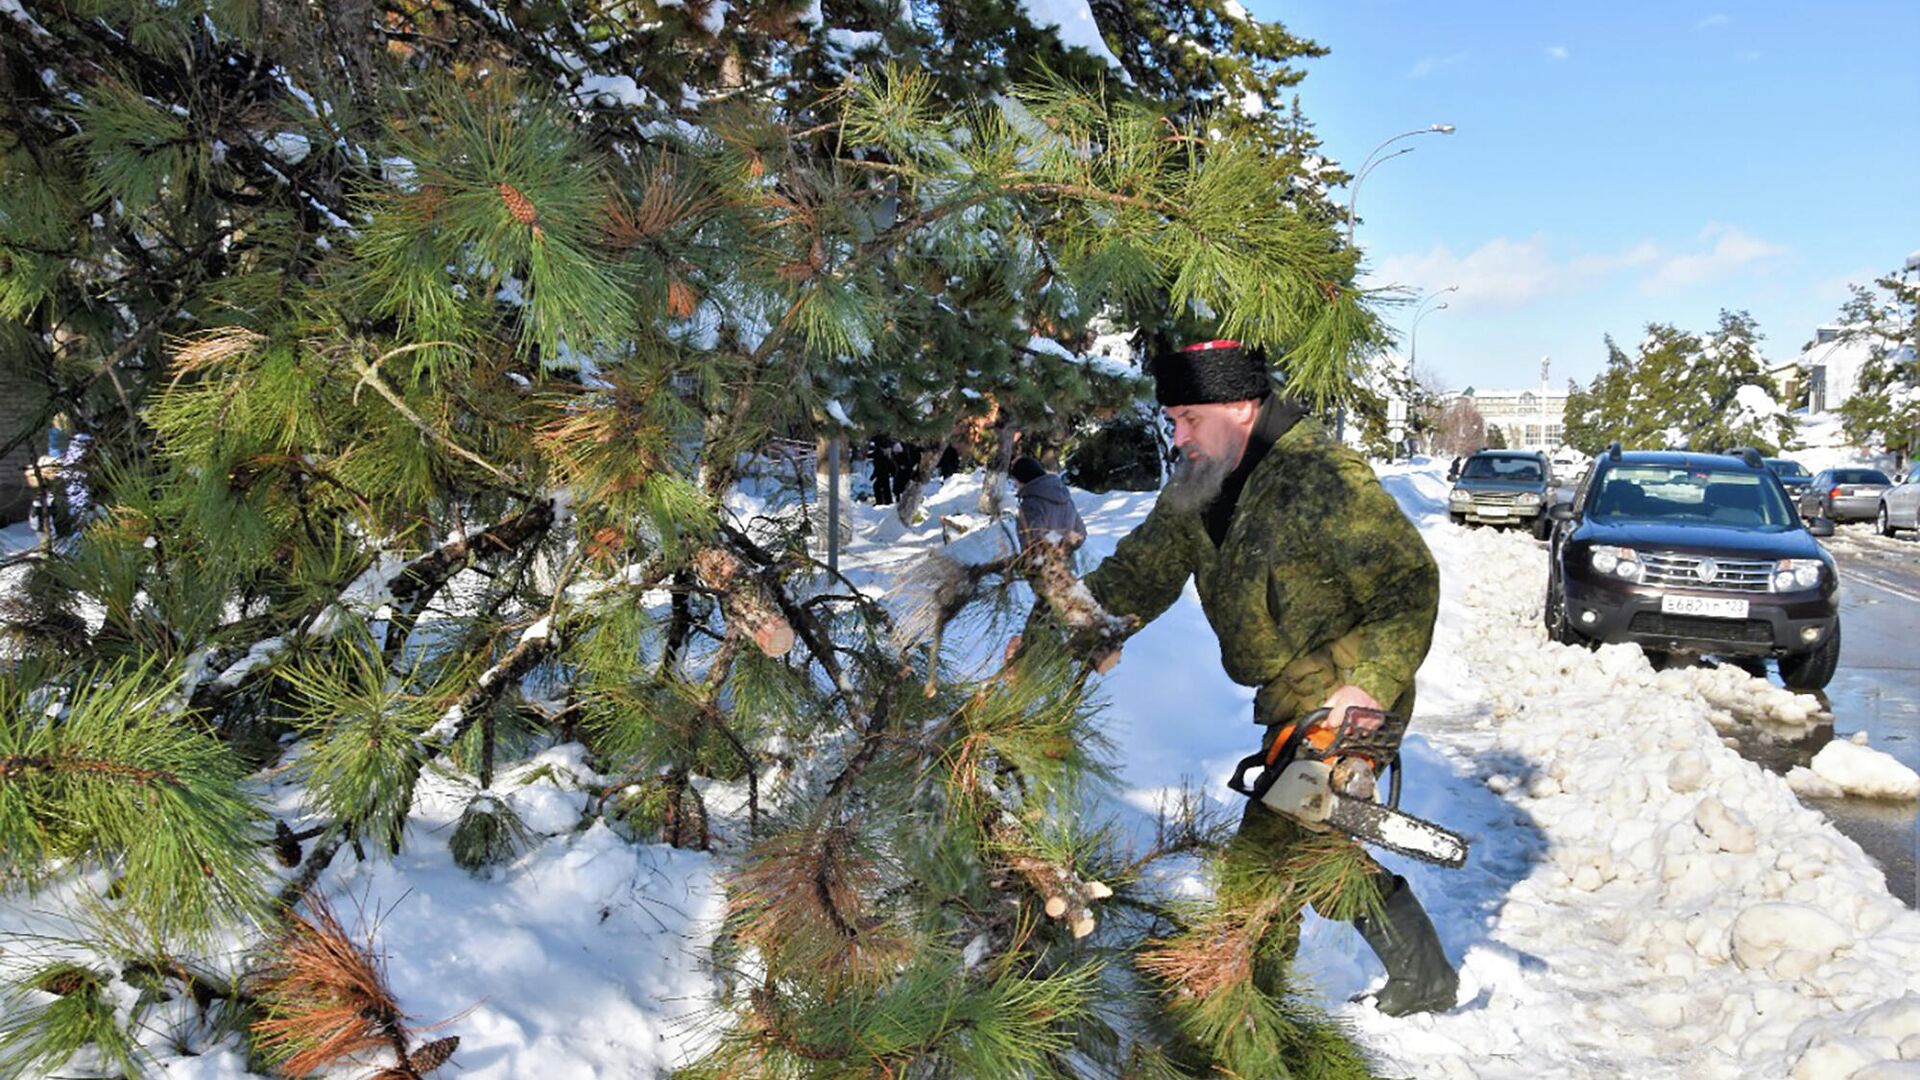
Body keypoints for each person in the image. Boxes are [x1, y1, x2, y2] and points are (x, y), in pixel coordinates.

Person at [1034, 338, 1457, 1017]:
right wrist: (1079, 631)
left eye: (1190, 418)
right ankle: (1418, 976)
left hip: (1351, 693)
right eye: (1171, 419)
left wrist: (1367, 690)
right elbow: (1143, 569)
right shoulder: (1200, 479)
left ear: (1241, 405)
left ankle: (1240, 995)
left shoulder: (1323, 477)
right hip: (1289, 698)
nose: (1179, 435)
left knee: (1268, 852)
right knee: (1312, 847)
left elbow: (1409, 586)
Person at [1009, 456, 1086, 553]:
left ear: (1022, 479)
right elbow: (1080, 534)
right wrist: (1063, 551)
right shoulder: (1065, 497)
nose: (1015, 485)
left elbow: (1032, 546)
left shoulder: (1030, 505)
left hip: (1041, 565)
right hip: (1063, 565)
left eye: (1015, 480)